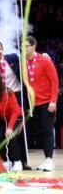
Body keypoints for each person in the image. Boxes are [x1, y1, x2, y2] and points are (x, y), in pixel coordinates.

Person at [24, 36, 59, 171]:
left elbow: (54, 81)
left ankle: (50, 159)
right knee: (40, 133)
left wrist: (53, 101)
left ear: (33, 46)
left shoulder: (44, 60)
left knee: (47, 130)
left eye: (26, 46)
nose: (24, 49)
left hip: (46, 102)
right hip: (33, 104)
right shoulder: (23, 63)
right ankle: (46, 159)